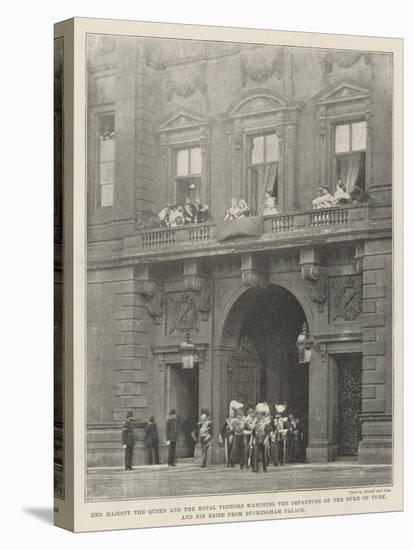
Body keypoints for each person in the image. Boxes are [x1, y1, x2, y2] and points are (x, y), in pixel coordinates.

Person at [252, 402, 272, 473]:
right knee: (256, 453)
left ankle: (264, 467)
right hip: (257, 437)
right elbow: (253, 430)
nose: (258, 415)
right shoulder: (255, 421)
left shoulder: (266, 421)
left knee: (264, 454)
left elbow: (268, 430)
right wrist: (253, 437)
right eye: (257, 413)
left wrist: (266, 439)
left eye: (259, 413)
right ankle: (256, 468)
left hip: (263, 437)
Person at [229, 403, 246, 469]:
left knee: (242, 450)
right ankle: (232, 461)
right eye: (238, 415)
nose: (239, 416)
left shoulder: (243, 420)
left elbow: (244, 427)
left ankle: (242, 463)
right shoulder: (234, 420)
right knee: (234, 449)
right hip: (236, 435)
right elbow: (232, 428)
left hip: (242, 435)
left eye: (241, 415)